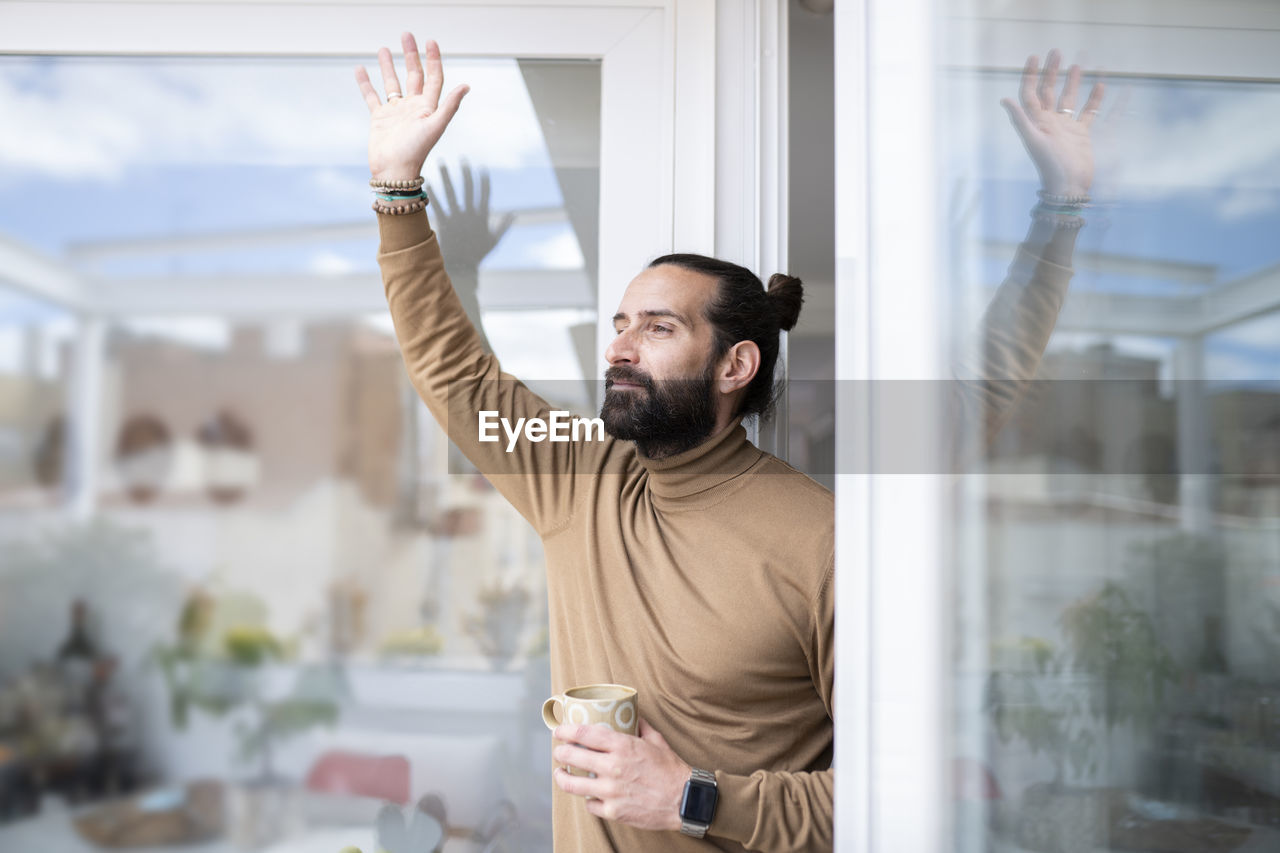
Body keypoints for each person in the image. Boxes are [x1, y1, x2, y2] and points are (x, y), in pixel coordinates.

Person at [354, 35, 1101, 852]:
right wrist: (398, 192)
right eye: (620, 324)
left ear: (734, 364)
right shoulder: (580, 481)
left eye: (659, 326)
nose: (620, 347)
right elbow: (457, 375)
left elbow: (891, 797)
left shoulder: (826, 541)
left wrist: (691, 797)